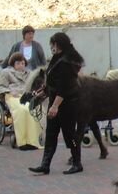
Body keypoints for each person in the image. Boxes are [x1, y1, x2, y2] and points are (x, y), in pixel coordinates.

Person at [29, 32, 84, 175]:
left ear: (59, 45)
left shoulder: (66, 62)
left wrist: (55, 106)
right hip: (57, 101)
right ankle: (45, 164)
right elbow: (53, 81)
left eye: (53, 44)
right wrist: (44, 92)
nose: (51, 47)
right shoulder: (57, 59)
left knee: (70, 135)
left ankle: (77, 163)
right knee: (51, 133)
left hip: (66, 104)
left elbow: (64, 87)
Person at [0, 52, 43, 150]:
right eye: (18, 63)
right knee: (22, 110)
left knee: (33, 109)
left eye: (23, 63)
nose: (21, 65)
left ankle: (33, 141)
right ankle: (22, 141)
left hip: (27, 95)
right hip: (13, 96)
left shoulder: (30, 73)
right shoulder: (6, 72)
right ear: (13, 64)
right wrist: (9, 91)